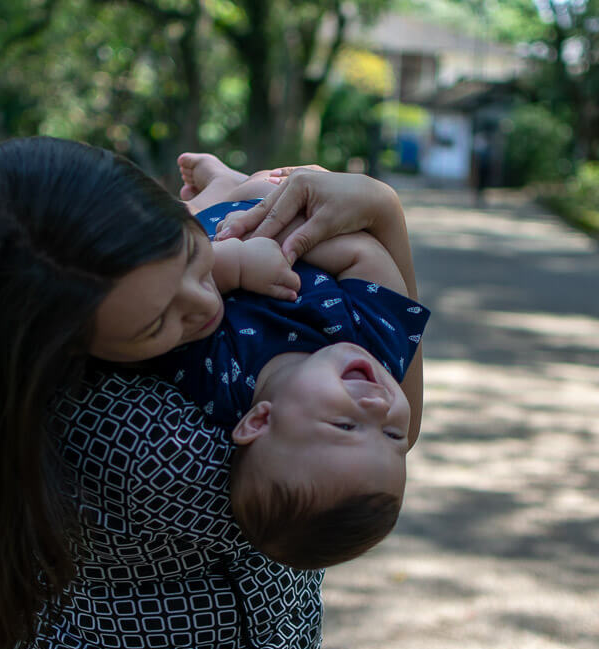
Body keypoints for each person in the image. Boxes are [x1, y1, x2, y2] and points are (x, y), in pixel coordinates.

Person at [0, 136, 419, 649]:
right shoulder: (158, 449)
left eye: (192, 262)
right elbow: (390, 442)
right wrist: (380, 213)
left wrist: (234, 219)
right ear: (61, 349)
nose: (205, 307)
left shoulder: (104, 327)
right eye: (159, 324)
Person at [132, 154, 430, 569]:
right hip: (287, 222)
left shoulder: (216, 376)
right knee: (267, 189)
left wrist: (236, 265)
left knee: (175, 227)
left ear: (258, 421)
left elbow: (163, 303)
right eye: (394, 435)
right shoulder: (376, 344)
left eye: (346, 425)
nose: (381, 407)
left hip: (200, 240)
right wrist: (283, 231)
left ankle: (225, 185)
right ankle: (231, 182)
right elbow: (365, 255)